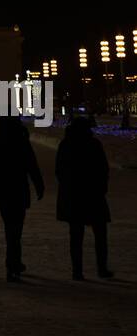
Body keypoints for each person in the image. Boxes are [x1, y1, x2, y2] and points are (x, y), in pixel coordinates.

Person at [0, 115, 44, 282]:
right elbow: (32, 165)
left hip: (2, 192)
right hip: (18, 190)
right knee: (16, 230)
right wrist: (39, 186)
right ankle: (13, 263)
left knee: (10, 228)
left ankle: (13, 263)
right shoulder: (21, 140)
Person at [55, 115, 113, 280]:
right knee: (100, 235)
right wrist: (101, 188)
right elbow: (103, 169)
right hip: (93, 195)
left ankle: (77, 270)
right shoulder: (93, 144)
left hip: (74, 196)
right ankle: (101, 268)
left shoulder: (66, 144)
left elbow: (60, 170)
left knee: (76, 236)